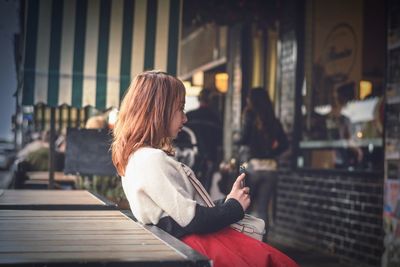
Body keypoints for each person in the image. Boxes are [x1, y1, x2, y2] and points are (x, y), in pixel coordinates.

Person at [111, 70, 298, 267]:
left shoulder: (138, 157)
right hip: (195, 246)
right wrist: (233, 206)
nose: (185, 118)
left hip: (187, 241)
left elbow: (177, 214)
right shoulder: (152, 159)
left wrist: (228, 201)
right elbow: (192, 219)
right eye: (180, 109)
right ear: (159, 110)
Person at [236, 87, 289, 227]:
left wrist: (238, 139)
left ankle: (248, 240)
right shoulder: (274, 121)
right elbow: (285, 144)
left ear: (252, 100)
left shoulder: (249, 116)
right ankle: (263, 242)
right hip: (271, 168)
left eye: (248, 98)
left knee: (247, 206)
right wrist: (272, 152)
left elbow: (243, 139)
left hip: (253, 167)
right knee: (263, 209)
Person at [184, 88, 223, 191]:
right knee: (205, 188)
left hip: (191, 156)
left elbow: (182, 137)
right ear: (210, 101)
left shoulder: (189, 116)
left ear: (198, 99)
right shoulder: (215, 118)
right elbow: (219, 141)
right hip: (209, 157)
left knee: (189, 186)